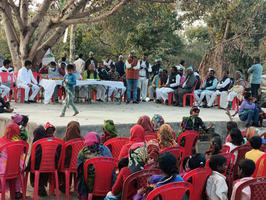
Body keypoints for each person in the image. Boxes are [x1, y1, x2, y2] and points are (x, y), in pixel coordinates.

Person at [77, 132, 112, 200]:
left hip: (91, 186)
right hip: (107, 184)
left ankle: (84, 195)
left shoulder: (82, 152)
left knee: (81, 174)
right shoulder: (106, 150)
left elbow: (79, 170)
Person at [0, 123, 25, 199]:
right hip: (16, 170)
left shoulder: (1, 141)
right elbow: (22, 156)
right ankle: (17, 191)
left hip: (4, 170)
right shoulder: (20, 142)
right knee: (20, 167)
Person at [59, 121, 82, 193]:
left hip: (67, 166)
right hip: (79, 165)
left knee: (60, 164)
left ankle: (65, 185)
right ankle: (77, 186)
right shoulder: (83, 140)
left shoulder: (64, 140)